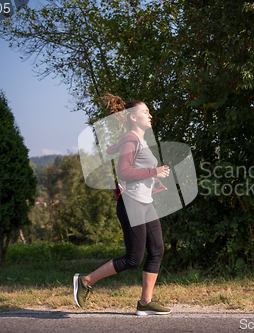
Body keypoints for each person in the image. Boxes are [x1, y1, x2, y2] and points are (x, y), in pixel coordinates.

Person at [73, 93, 171, 315]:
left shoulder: (139, 140)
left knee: (157, 250)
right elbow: (124, 171)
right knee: (133, 258)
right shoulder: (130, 139)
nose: (150, 115)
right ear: (133, 118)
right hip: (132, 203)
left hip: (146, 203)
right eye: (146, 112)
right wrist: (154, 171)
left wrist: (154, 176)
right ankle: (86, 281)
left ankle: (145, 303)